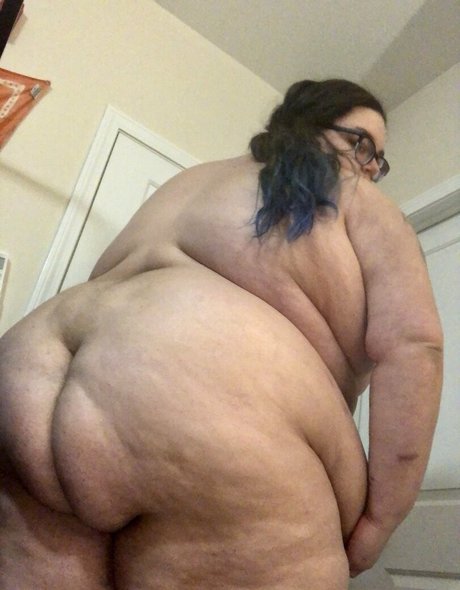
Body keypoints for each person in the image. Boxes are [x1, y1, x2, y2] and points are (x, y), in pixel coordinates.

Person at [0, 79, 443, 589]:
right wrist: (382, 519)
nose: (368, 168)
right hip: (210, 417)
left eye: (379, 162)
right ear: (311, 122)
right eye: (361, 144)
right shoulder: (357, 199)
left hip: (23, 383)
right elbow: (415, 347)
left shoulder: (189, 182)